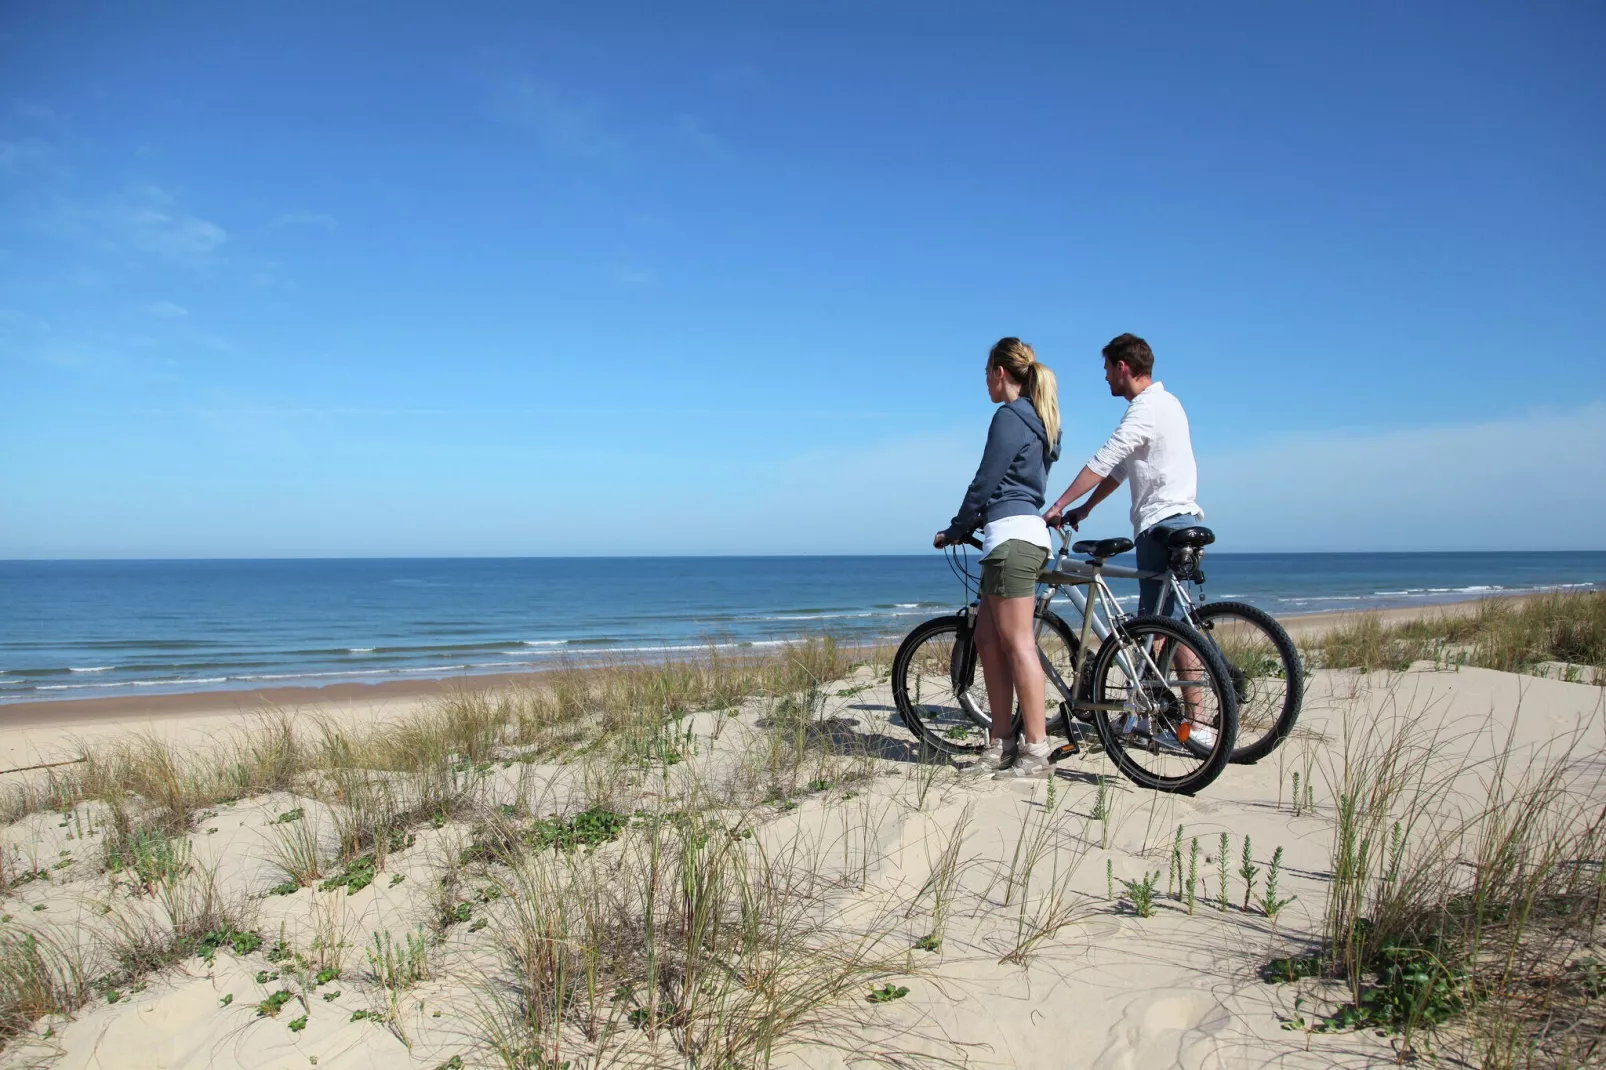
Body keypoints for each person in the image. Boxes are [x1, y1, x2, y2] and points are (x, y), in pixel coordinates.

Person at [1044, 332, 1213, 747]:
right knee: (1168, 625)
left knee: (1160, 627)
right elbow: (1121, 470)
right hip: (1181, 517)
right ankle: (1159, 719)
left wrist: (1059, 503)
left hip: (1161, 524)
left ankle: (1199, 723)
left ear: (1123, 367)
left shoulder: (1145, 409)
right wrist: (1085, 509)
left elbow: (1102, 461)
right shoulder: (1169, 403)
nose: (1104, 379)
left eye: (1106, 370)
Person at [933, 337, 1061, 778]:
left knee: (1018, 643)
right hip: (1009, 538)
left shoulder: (1010, 416)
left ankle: (1037, 749)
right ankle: (1001, 741)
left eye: (987, 372)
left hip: (1012, 539)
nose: (985, 381)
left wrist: (956, 526)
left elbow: (985, 481)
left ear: (1000, 372)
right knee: (988, 640)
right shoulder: (1038, 417)